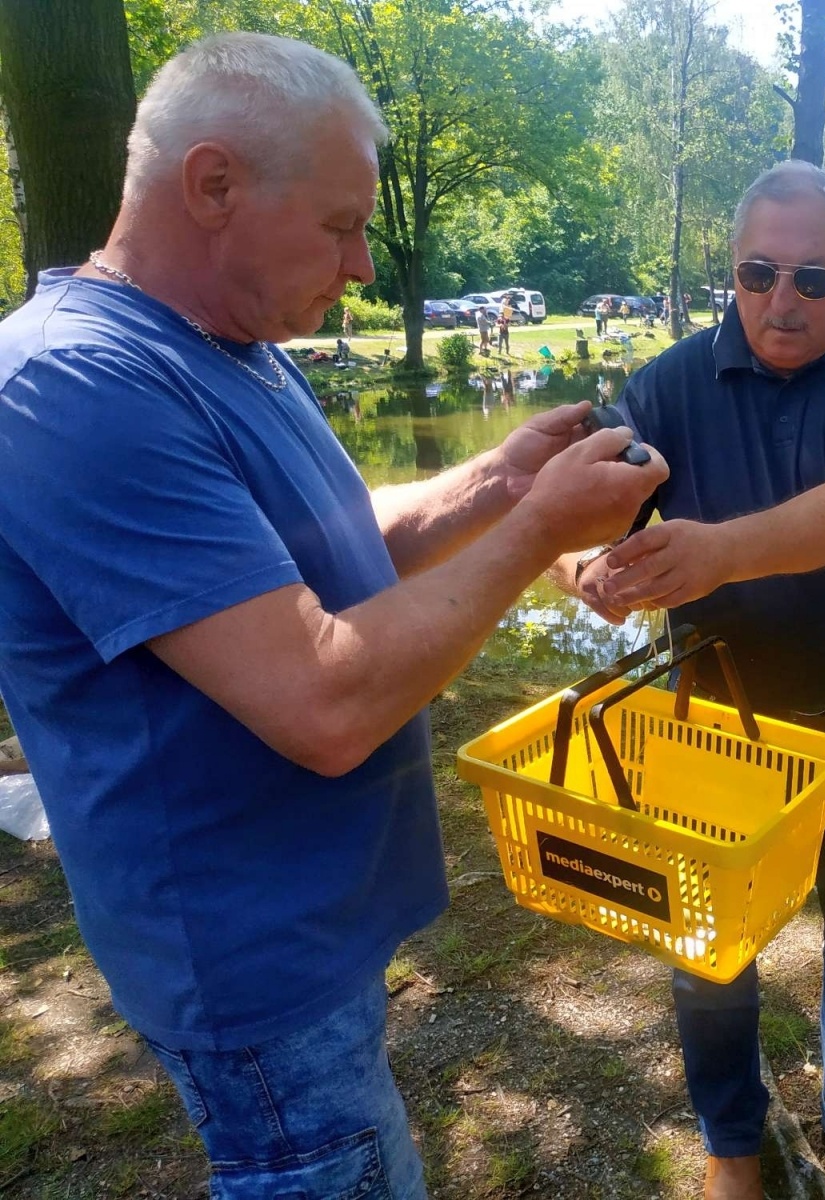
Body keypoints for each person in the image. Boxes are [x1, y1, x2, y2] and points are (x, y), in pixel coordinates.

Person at [0, 33, 665, 1196]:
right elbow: (322, 699)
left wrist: (496, 484)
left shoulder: (237, 344)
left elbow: (322, 540)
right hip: (249, 964)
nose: (362, 265)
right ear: (213, 186)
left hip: (314, 936)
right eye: (340, 224)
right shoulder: (74, 386)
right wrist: (536, 534)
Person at [552, 161, 825, 1200]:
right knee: (710, 949)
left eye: (812, 279)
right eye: (758, 272)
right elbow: (579, 512)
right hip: (715, 729)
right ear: (731, 270)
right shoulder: (672, 379)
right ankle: (731, 1140)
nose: (782, 301)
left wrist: (719, 552)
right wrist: (583, 568)